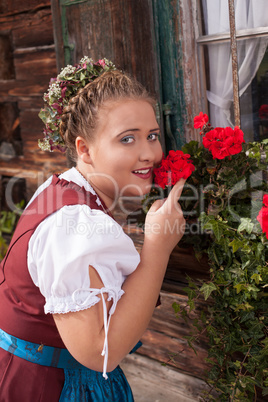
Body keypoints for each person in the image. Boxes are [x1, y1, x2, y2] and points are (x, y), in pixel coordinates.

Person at [0, 58, 186, 401]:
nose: (149, 153)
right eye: (127, 139)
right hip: (48, 388)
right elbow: (101, 352)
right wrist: (157, 248)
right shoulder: (77, 228)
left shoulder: (61, 186)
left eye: (152, 136)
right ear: (84, 149)